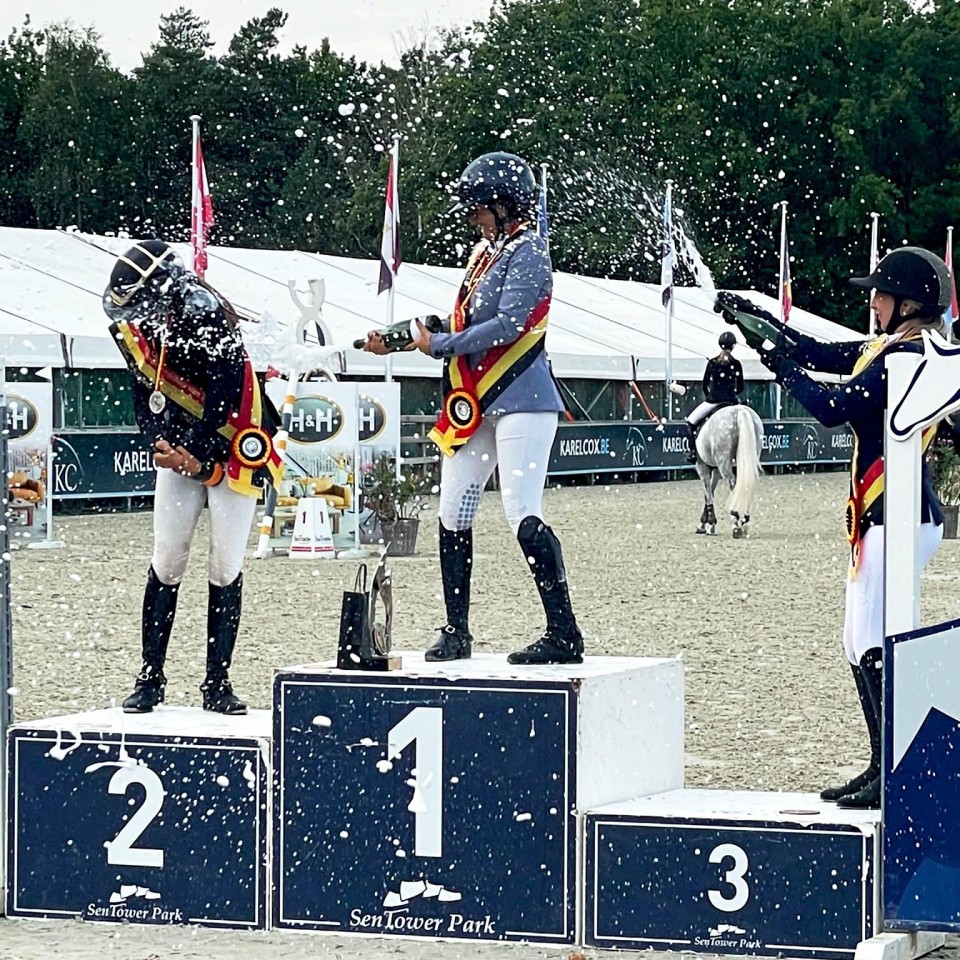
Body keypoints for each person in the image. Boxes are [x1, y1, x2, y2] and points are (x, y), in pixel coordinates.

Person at [716, 246, 950, 808]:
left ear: (909, 303)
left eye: (881, 294)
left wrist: (777, 362)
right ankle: (881, 764)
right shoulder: (893, 346)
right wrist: (762, 324)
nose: (873, 302)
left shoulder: (908, 358)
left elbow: (828, 404)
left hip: (896, 518)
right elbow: (821, 349)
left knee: (874, 644)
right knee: (856, 643)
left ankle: (895, 770)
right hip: (884, 517)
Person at [362, 151, 583, 666]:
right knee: (453, 506)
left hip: (522, 398)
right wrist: (400, 339)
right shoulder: (487, 252)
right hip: (478, 401)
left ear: (506, 205)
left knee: (521, 511)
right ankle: (456, 629)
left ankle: (564, 632)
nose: (473, 216)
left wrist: (439, 347)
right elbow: (460, 320)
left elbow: (507, 325)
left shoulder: (529, 252)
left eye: (480, 207)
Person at [103, 240, 282, 714]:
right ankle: (150, 676)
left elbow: (225, 391)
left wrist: (198, 453)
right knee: (167, 558)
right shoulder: (140, 325)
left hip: (233, 437)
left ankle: (217, 681)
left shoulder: (205, 313)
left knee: (225, 564)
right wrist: (159, 442)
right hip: (179, 446)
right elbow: (143, 389)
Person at [684, 331, 744, 464]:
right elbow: (741, 388)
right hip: (731, 401)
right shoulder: (737, 364)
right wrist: (732, 394)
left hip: (714, 400)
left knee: (690, 422)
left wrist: (710, 396)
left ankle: (693, 452)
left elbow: (704, 384)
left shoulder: (712, 363)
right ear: (733, 346)